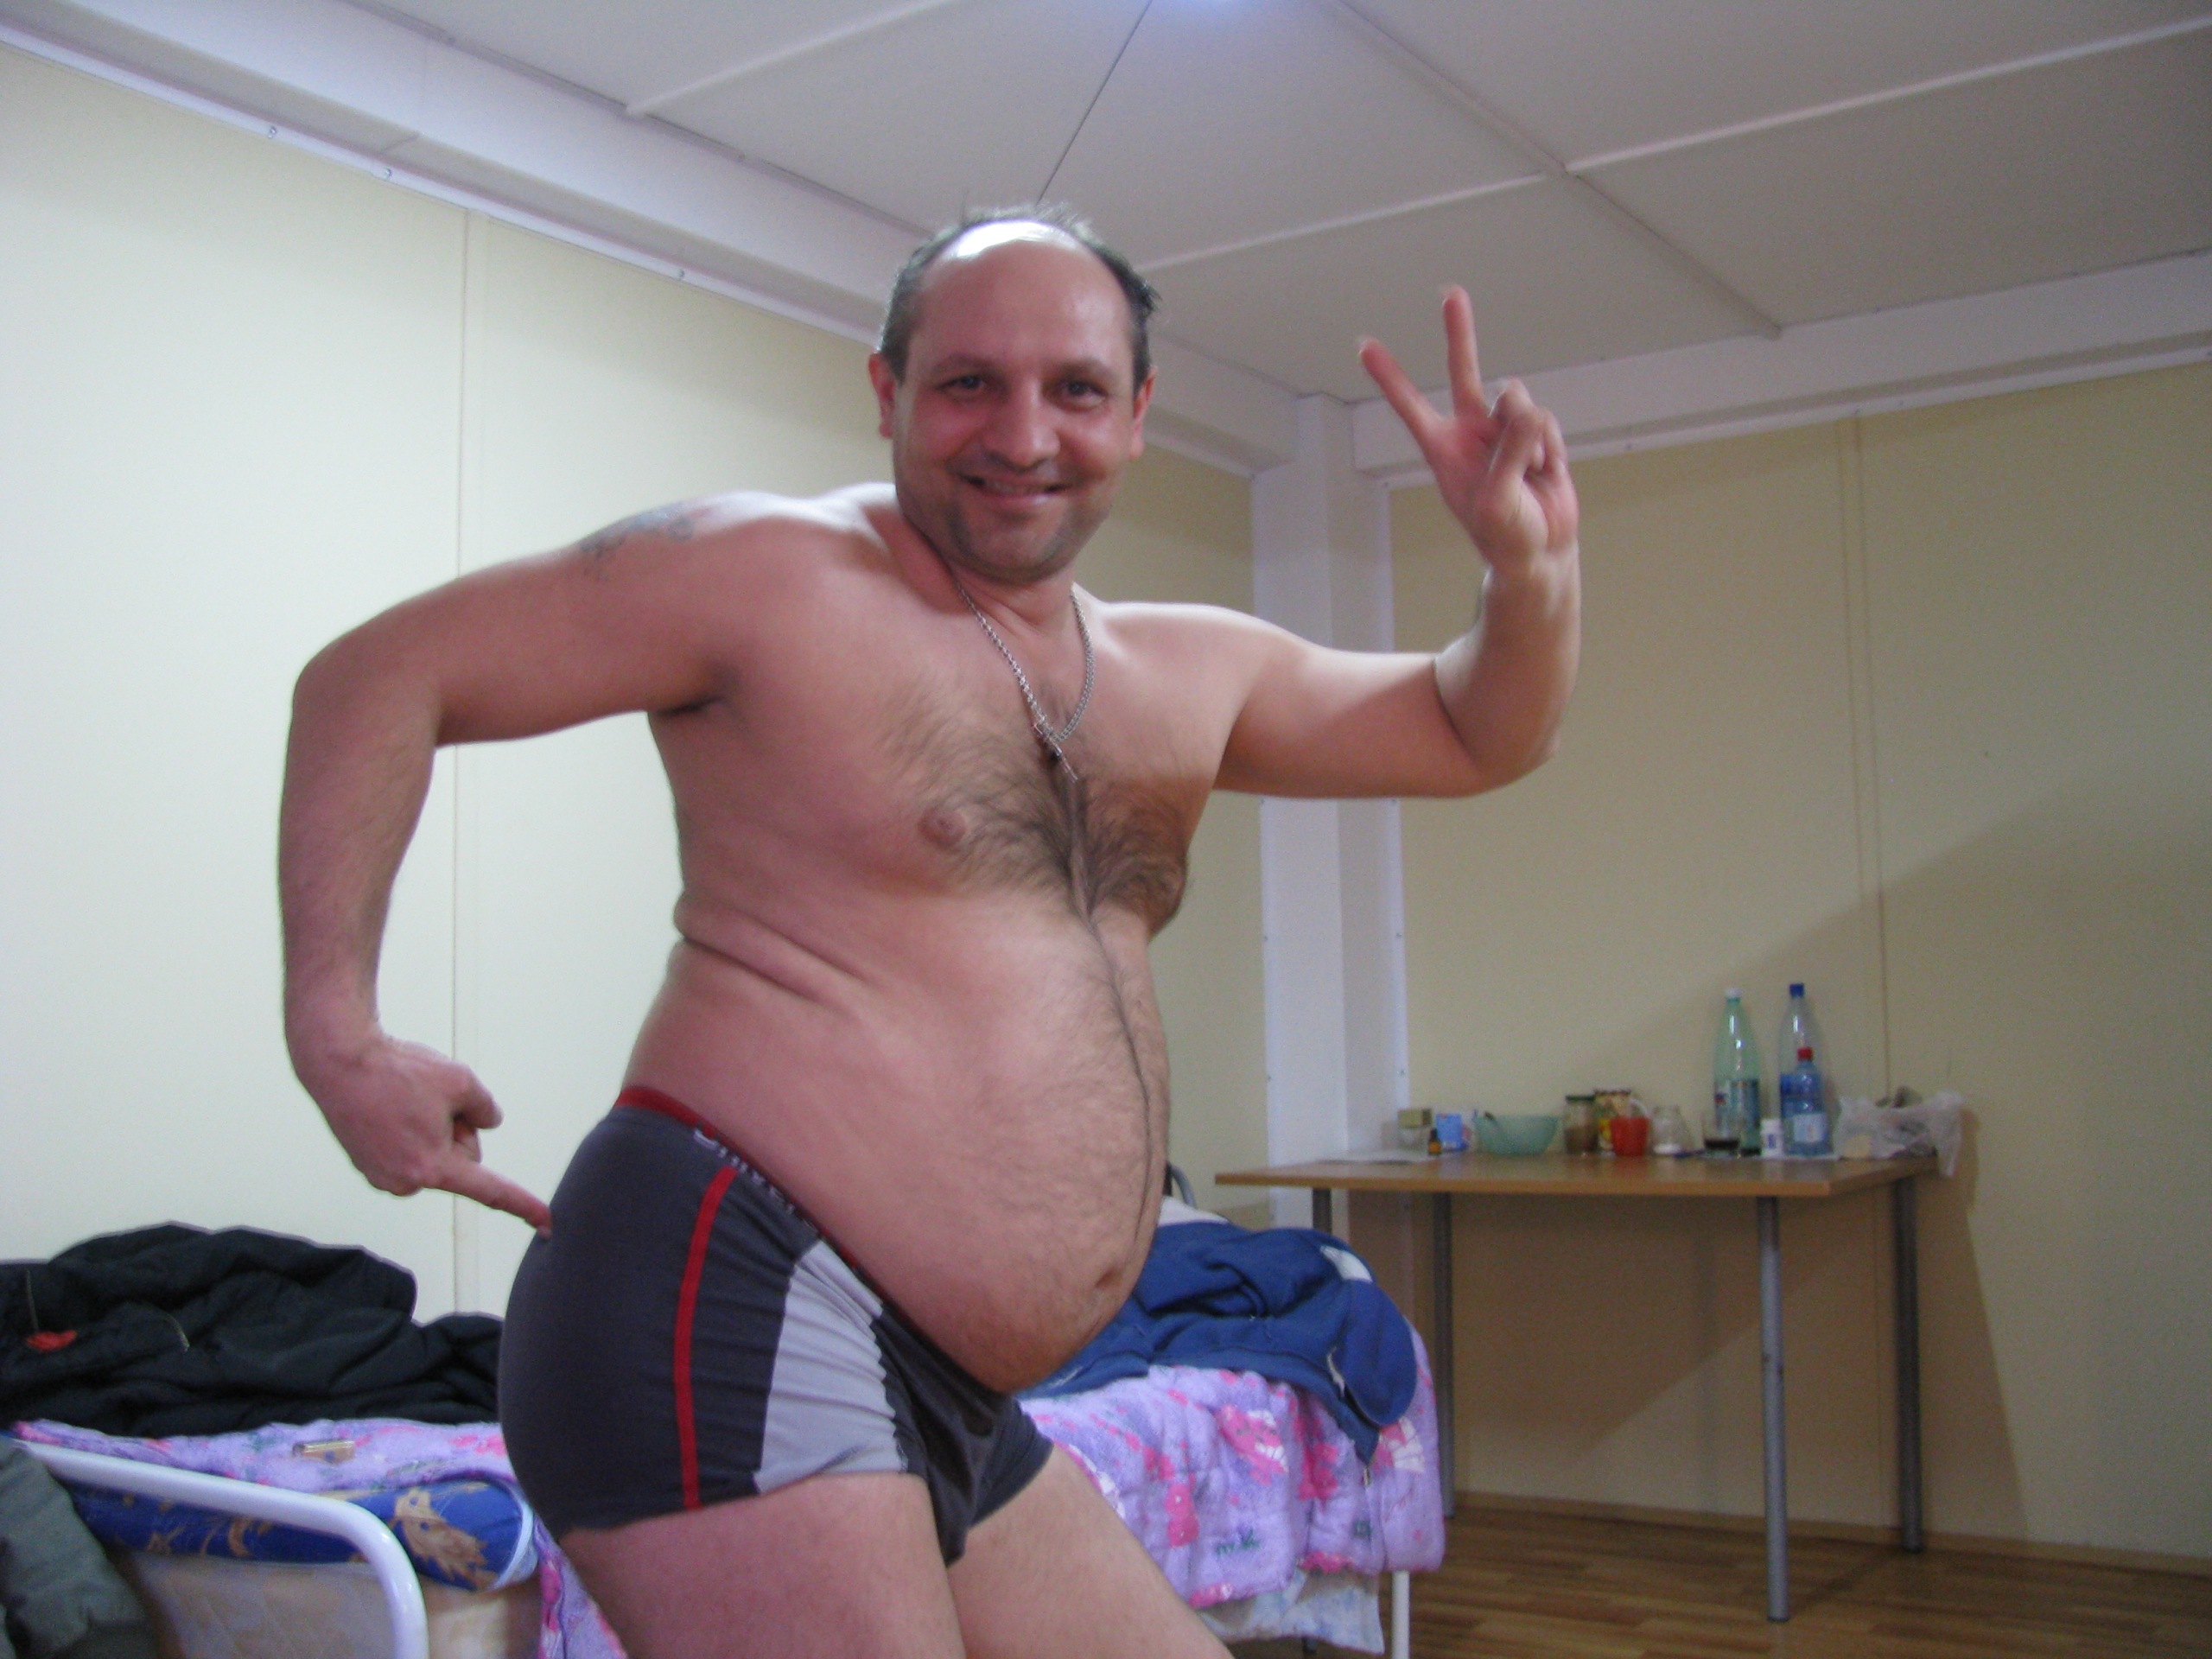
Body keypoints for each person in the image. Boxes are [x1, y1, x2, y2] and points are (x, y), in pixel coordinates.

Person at [279, 205, 1580, 1658]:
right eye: (969, 383)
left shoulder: (1187, 669)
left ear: (1138, 412)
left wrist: (1525, 576)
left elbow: (1477, 729)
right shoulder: (764, 573)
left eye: (1074, 388)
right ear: (888, 390)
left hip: (942, 1382)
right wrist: (337, 1032)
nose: (1022, 434)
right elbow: (376, 677)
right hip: (734, 1288)